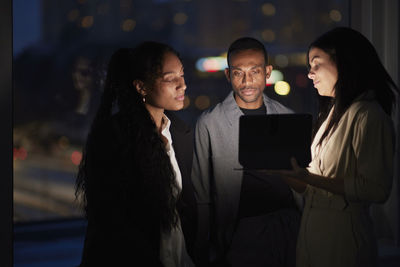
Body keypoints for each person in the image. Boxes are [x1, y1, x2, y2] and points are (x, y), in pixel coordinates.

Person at [267, 27, 398, 267]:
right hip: (313, 230)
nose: (309, 74)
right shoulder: (331, 116)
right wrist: (286, 173)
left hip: (344, 237)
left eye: (316, 64)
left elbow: (376, 189)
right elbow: (312, 187)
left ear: (344, 63)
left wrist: (308, 178)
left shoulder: (368, 115)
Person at [75, 42, 197, 267]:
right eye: (171, 79)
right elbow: (114, 227)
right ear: (141, 87)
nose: (183, 85)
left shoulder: (180, 134)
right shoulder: (115, 139)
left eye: (182, 75)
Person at [192, 37, 300, 266]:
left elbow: (300, 180)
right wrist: (203, 247)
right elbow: (201, 193)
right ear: (228, 74)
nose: (247, 80)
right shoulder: (210, 122)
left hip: (287, 226)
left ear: (267, 72)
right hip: (239, 232)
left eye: (255, 71)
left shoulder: (288, 117)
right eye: (238, 72)